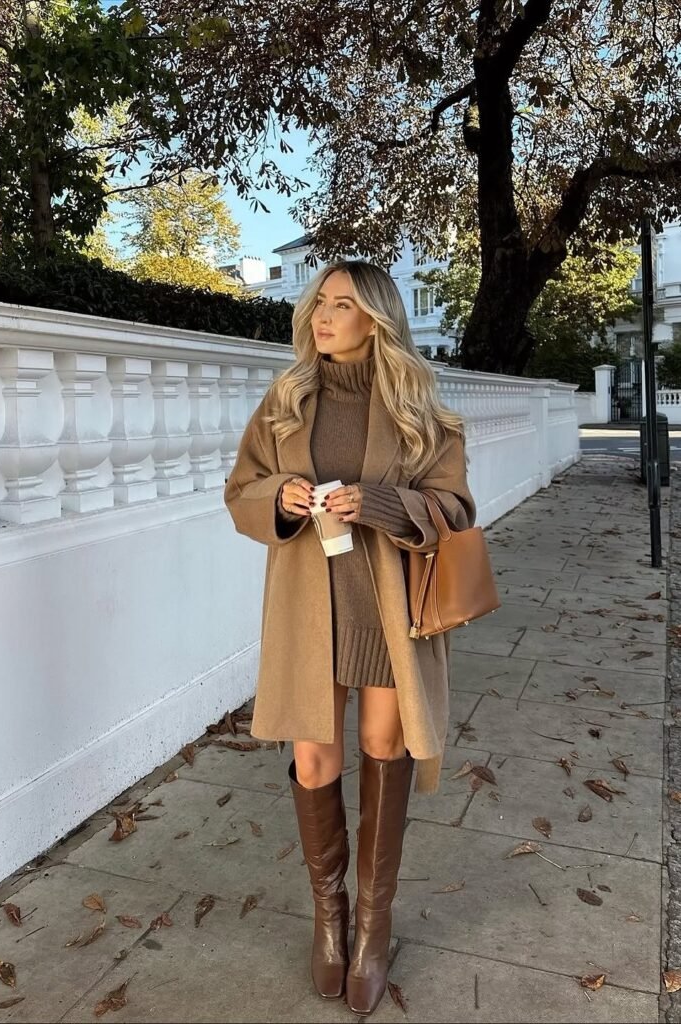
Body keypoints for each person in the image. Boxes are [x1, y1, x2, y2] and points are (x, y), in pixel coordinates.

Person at [223, 259, 476, 1015]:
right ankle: (328, 921)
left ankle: (373, 926)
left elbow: (455, 507)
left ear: (376, 318)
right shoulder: (285, 398)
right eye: (319, 303)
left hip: (387, 611)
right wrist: (282, 496)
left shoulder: (417, 407)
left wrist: (385, 504)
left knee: (383, 747)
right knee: (312, 754)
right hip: (307, 606)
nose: (322, 316)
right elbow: (240, 491)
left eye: (341, 305)